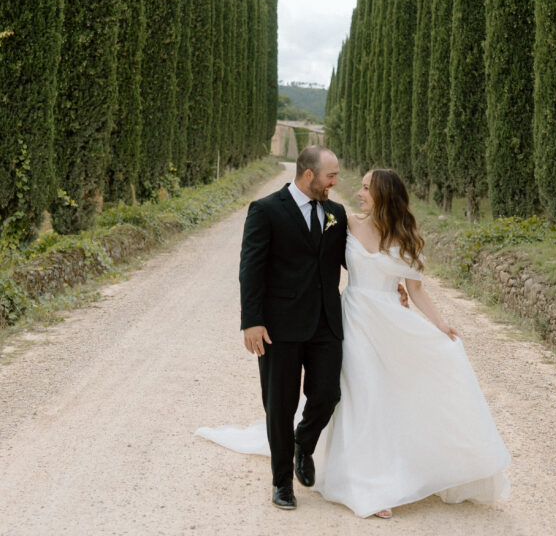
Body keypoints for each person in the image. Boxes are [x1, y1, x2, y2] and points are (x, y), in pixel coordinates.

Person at [197, 162, 510, 518]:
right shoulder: (345, 221)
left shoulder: (406, 234)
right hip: (352, 319)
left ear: (383, 195)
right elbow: (316, 257)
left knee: (381, 397)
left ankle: (376, 472)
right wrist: (255, 315)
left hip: (390, 323)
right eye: (355, 185)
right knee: (360, 395)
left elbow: (416, 288)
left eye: (365, 187)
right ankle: (362, 482)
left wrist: (440, 323)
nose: (356, 192)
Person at [236, 145, 347, 510]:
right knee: (280, 405)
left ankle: (304, 443)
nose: (335, 182)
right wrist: (251, 321)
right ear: (309, 174)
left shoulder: (336, 213)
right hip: (278, 327)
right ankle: (282, 481)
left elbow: (352, 258)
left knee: (327, 394)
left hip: (325, 323)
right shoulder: (266, 210)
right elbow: (251, 269)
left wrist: (393, 280)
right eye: (331, 175)